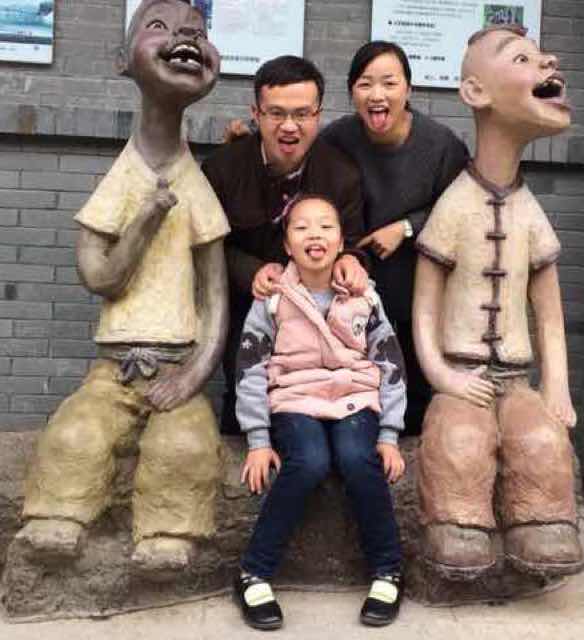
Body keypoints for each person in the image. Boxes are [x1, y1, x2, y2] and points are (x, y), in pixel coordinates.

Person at [18, 0, 229, 574]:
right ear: (122, 59)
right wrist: (144, 220)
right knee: (76, 433)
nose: (185, 39)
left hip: (177, 366)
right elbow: (100, 277)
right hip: (112, 368)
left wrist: (192, 377)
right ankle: (58, 515)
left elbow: (216, 301)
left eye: (196, 31)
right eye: (159, 28)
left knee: (185, 444)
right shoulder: (122, 179)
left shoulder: (196, 186)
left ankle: (169, 531)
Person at [413, 25, 584, 581]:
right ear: (475, 92)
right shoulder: (454, 206)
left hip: (516, 378)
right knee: (458, 438)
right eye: (522, 59)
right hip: (460, 374)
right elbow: (424, 307)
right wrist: (442, 375)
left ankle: (542, 522)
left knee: (540, 437)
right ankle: (457, 524)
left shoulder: (531, 212)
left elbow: (549, 313)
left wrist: (556, 385)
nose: (548, 61)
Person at [233, 194, 407, 630]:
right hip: (294, 399)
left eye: (326, 227)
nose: (315, 235)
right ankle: (254, 572)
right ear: (286, 245)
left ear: (342, 242)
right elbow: (250, 367)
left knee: (357, 458)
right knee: (309, 461)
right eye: (302, 227)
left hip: (354, 398)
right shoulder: (273, 298)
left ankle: (388, 570)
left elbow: (390, 362)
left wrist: (389, 434)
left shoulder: (364, 296)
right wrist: (258, 440)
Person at [201, 56, 368, 435]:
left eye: (302, 114)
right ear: (256, 114)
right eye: (276, 113)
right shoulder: (222, 169)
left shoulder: (341, 175)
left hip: (319, 320)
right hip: (246, 309)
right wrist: (250, 271)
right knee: (243, 408)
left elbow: (355, 242)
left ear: (318, 115)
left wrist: (353, 260)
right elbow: (206, 247)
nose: (289, 126)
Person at [319, 41, 469, 435]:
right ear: (352, 92)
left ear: (408, 89)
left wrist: (405, 227)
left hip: (418, 284)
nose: (377, 95)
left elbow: (462, 209)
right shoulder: (337, 138)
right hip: (354, 286)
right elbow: (300, 159)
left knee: (414, 386)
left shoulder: (441, 145)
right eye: (365, 84)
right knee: (358, 387)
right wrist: (245, 136)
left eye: (389, 83)